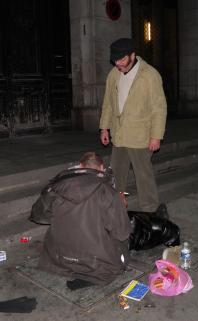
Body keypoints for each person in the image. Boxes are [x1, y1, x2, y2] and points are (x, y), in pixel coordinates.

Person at [34, 152, 132, 289]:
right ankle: (90, 271)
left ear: (80, 166)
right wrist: (121, 206)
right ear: (102, 167)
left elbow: (39, 216)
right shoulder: (108, 191)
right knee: (123, 247)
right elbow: (122, 233)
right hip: (95, 261)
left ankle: (70, 265)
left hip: (59, 256)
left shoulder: (55, 187)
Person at [99, 38, 167, 214]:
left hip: (140, 135)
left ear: (133, 55)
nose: (118, 64)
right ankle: (116, 207)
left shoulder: (149, 75)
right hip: (120, 133)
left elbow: (159, 108)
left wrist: (156, 136)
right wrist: (104, 127)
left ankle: (150, 210)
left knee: (143, 175)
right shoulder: (113, 74)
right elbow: (108, 103)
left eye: (122, 59)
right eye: (115, 60)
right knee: (116, 175)